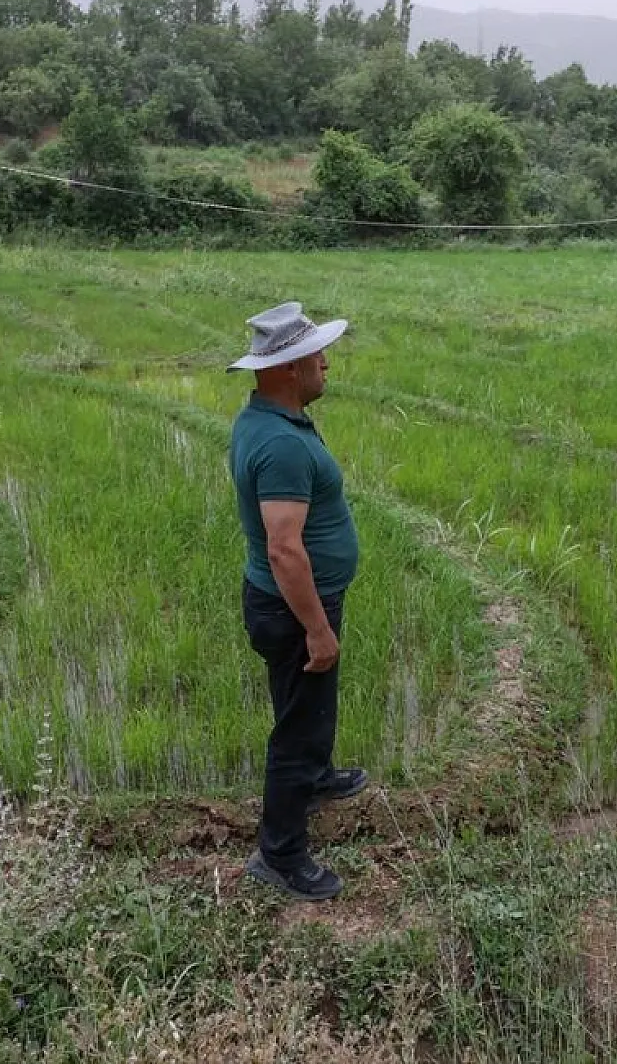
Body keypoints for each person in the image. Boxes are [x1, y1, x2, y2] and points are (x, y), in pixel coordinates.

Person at [227, 301, 370, 901]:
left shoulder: (266, 422)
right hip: (292, 609)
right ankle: (280, 855)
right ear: (288, 368)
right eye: (317, 356)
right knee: (296, 728)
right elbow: (285, 550)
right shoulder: (282, 445)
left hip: (283, 605)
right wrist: (317, 628)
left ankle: (314, 778)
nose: (326, 365)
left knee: (304, 711)